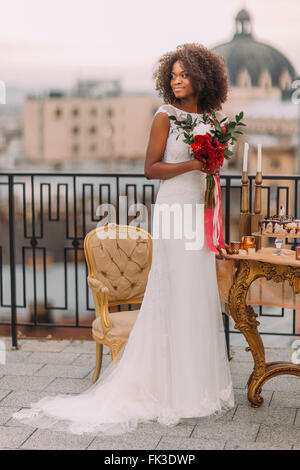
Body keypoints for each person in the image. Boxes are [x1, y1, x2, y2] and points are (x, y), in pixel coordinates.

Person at [13, 43, 234, 435]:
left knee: (198, 293)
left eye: (184, 74)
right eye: (173, 75)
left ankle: (197, 384)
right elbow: (150, 169)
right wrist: (194, 164)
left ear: (203, 77)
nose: (177, 80)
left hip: (200, 210)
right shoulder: (165, 116)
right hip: (172, 210)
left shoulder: (215, 118)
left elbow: (212, 167)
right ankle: (168, 388)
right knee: (175, 291)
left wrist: (211, 168)